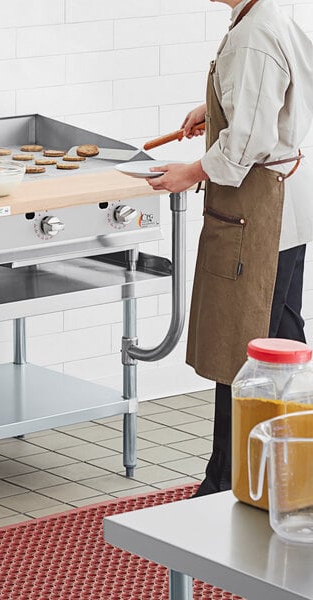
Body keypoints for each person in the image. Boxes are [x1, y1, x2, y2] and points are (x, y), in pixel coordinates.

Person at [146, 0, 313, 496]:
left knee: (243, 351)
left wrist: (188, 173)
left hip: (257, 212)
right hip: (286, 203)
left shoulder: (252, 35)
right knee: (283, 339)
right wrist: (215, 108)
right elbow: (277, 97)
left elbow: (247, 144)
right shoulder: (272, 16)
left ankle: (224, 485)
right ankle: (285, 475)